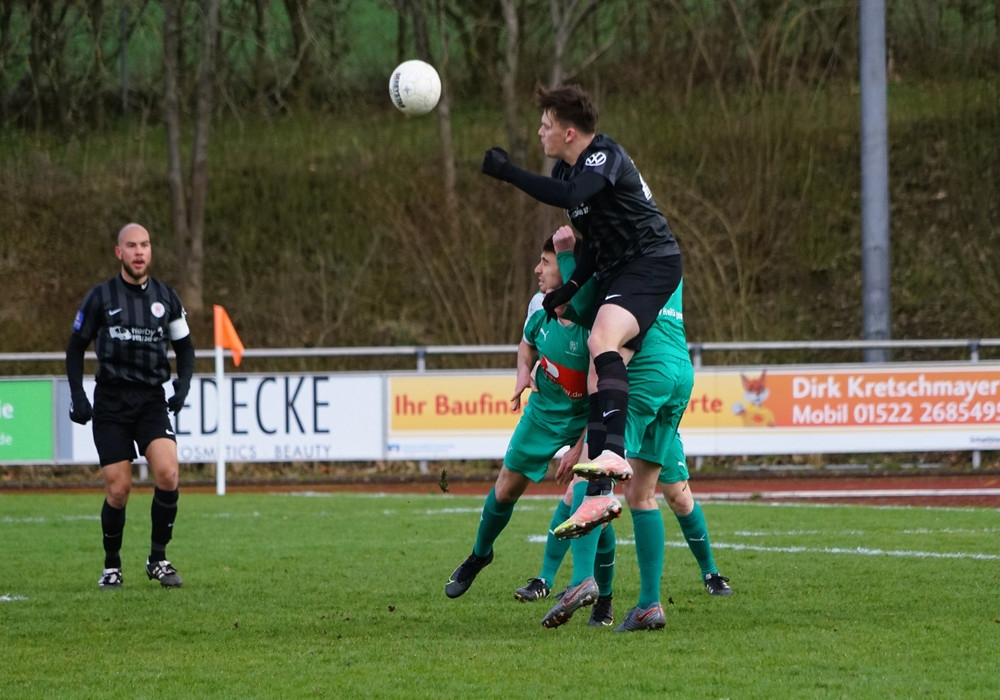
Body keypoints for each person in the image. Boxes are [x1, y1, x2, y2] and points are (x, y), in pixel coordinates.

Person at [481, 84, 683, 514]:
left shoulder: (603, 156)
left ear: (569, 133)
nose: (540, 132)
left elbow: (573, 198)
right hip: (617, 268)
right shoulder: (565, 171)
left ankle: (612, 454)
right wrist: (570, 287)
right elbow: (592, 241)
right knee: (598, 368)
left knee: (600, 340)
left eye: (546, 125)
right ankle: (599, 492)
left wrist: (509, 173)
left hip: (651, 261)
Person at [537, 230, 730, 631]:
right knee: (642, 494)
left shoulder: (620, 255)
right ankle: (648, 606)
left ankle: (582, 578)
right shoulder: (661, 250)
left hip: (644, 369)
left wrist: (568, 257)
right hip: (679, 369)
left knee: (591, 471)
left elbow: (583, 309)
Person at [444, 232, 615, 626]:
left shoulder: (596, 320)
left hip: (585, 420)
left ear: (569, 269)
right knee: (505, 489)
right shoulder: (538, 305)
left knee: (587, 498)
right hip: (541, 414)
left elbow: (602, 395)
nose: (538, 269)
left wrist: (579, 447)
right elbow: (527, 346)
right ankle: (479, 555)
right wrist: (523, 371)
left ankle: (598, 595)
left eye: (545, 262)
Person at [65, 223, 195, 589]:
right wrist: (78, 395)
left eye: (145, 245)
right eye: (132, 245)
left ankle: (158, 559)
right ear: (119, 252)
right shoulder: (100, 297)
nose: (139, 252)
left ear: (151, 251)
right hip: (111, 403)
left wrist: (183, 384)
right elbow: (75, 348)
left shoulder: (166, 297)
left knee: (168, 473)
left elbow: (185, 349)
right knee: (119, 489)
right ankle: (112, 565)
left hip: (151, 400)